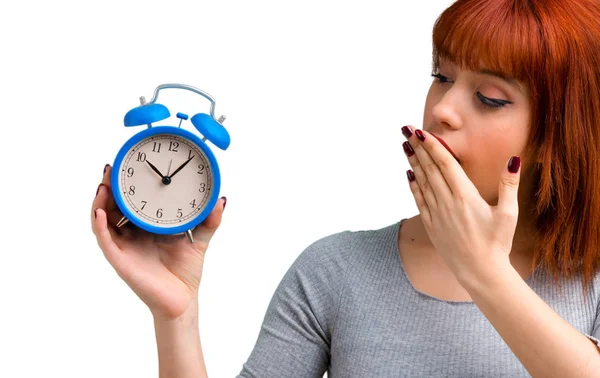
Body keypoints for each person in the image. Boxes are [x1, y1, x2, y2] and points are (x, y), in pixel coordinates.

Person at [91, 0, 600, 376]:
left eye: (489, 97)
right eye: (440, 76)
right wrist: (175, 315)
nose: (443, 109)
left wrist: (484, 272)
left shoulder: (591, 278)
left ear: (562, 131)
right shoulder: (336, 270)